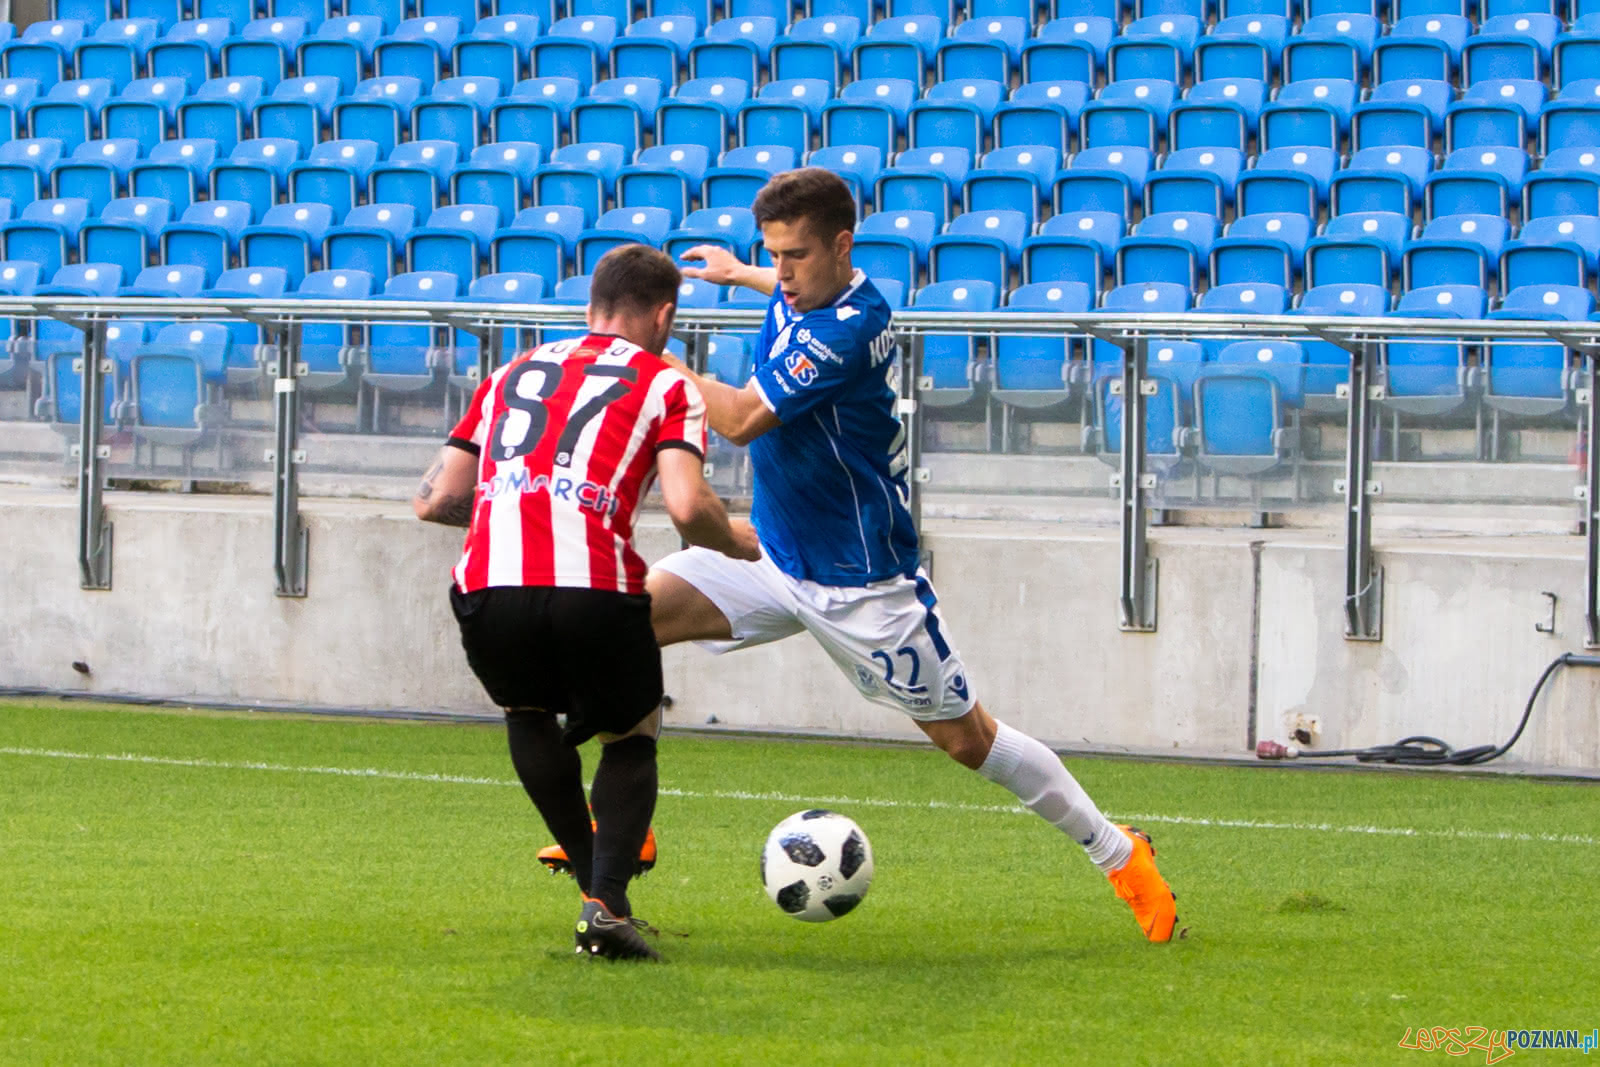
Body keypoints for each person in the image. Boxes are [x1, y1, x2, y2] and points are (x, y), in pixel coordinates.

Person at [543, 168, 1178, 942]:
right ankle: (625, 832)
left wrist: (647, 360)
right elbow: (781, 291)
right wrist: (742, 275)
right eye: (771, 254)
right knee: (625, 621)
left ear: (842, 248)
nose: (782, 272)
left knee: (968, 739)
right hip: (770, 553)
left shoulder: (843, 329)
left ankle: (1121, 855)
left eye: (795, 256)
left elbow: (741, 418)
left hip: (859, 583)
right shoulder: (812, 287)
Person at [413, 244, 761, 962]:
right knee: (633, 730)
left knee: (527, 711)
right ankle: (605, 900)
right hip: (594, 586)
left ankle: (600, 893)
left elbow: (438, 498)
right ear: (665, 314)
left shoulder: (511, 371)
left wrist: (518, 505)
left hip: (488, 583)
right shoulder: (667, 382)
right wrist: (737, 543)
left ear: (590, 304)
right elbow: (687, 503)